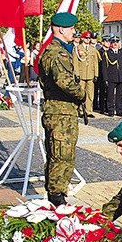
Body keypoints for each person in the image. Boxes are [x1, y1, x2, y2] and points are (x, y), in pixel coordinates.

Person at [39, 12, 86, 206]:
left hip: (61, 111)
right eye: (71, 28)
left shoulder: (58, 50)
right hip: (60, 112)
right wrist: (82, 93)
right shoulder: (56, 53)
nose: (73, 32)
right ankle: (57, 199)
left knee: (60, 155)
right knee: (61, 156)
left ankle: (57, 196)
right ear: (60, 29)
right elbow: (64, 81)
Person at [73, 31, 100, 118]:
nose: (88, 40)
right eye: (86, 38)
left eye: (89, 38)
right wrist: (76, 74)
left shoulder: (93, 49)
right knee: (81, 93)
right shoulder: (77, 48)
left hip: (90, 74)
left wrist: (96, 74)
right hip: (81, 74)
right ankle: (80, 110)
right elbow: (75, 62)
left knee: (90, 94)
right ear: (82, 38)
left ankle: (88, 110)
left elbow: (95, 62)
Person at [103, 37, 122, 117]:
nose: (115, 44)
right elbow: (104, 67)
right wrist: (105, 78)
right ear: (111, 44)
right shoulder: (107, 53)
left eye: (117, 42)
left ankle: (119, 110)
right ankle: (110, 110)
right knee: (110, 95)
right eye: (113, 42)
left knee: (120, 95)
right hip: (111, 77)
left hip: (121, 77)